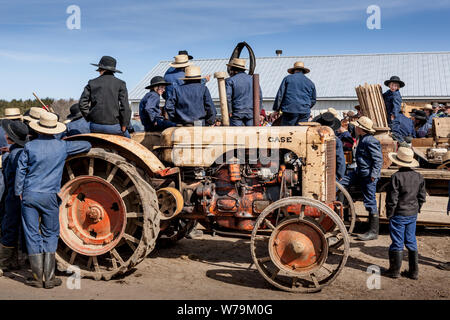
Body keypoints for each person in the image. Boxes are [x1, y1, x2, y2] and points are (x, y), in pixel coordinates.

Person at [15, 112, 92, 288]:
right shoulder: (62, 147)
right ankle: (49, 278)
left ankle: (36, 277)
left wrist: (18, 191)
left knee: (32, 233)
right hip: (50, 196)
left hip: (29, 194)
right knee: (50, 233)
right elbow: (86, 145)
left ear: (38, 129)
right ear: (54, 129)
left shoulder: (30, 146)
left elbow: (21, 170)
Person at [384, 147, 426, 279]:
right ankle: (414, 272)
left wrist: (389, 213)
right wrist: (416, 208)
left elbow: (392, 198)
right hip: (412, 213)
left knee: (397, 241)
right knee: (411, 240)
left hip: (399, 214)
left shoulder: (396, 177)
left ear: (398, 162)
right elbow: (422, 196)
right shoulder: (418, 176)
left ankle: (394, 271)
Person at [340, 116, 383, 241]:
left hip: (367, 175)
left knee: (370, 201)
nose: (354, 127)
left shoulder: (370, 141)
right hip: (360, 172)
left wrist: (374, 175)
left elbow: (378, 159)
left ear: (361, 128)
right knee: (341, 183)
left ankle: (373, 231)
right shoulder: (363, 138)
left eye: (357, 126)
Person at [0, 120, 28, 277]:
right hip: (24, 195)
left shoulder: (12, 156)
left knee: (9, 226)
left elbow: (9, 177)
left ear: (10, 137)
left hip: (13, 194)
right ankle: (16, 260)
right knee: (19, 228)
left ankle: (3, 262)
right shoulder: (24, 151)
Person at [79, 56, 131, 138]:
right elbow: (125, 106)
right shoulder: (121, 83)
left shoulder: (92, 83)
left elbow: (82, 103)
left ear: (100, 69)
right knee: (130, 141)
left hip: (95, 126)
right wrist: (124, 125)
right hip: (113, 127)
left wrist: (89, 117)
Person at [273, 61, 316, 126]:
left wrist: (276, 109)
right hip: (304, 112)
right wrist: (305, 107)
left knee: (287, 132)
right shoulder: (310, 82)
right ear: (303, 71)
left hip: (289, 110)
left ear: (293, 70)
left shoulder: (287, 79)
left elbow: (280, 95)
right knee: (301, 132)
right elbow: (313, 100)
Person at [225, 58, 262, 126]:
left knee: (235, 135)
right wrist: (258, 112)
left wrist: (229, 111)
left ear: (234, 70)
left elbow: (228, 97)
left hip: (237, 112)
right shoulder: (252, 79)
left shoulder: (230, 80)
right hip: (251, 112)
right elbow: (259, 96)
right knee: (251, 134)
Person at [315, 112, 346, 181]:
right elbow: (340, 159)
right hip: (330, 172)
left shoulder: (313, 138)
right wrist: (340, 174)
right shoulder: (335, 140)